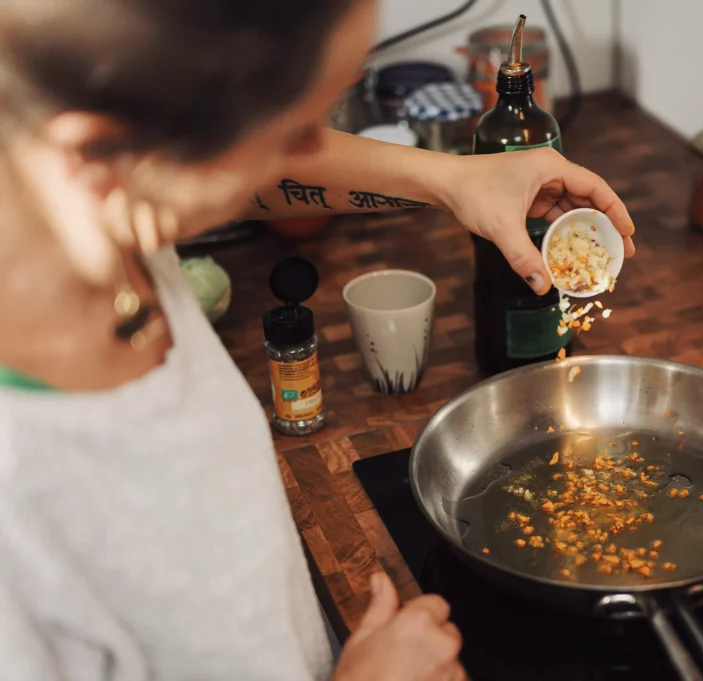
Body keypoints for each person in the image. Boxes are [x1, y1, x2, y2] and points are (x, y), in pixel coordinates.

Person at [0, 0, 635, 679]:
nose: (308, 155)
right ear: (98, 154)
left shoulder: (95, 217)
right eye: (297, 128)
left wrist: (456, 180)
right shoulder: (21, 495)